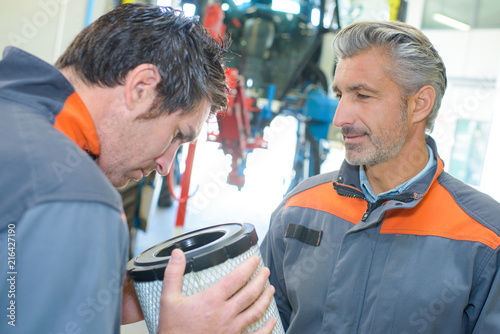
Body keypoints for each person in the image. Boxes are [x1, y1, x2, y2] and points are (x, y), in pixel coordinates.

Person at [0, 4, 276, 333]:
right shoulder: (81, 200)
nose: (164, 165)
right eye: (177, 135)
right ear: (141, 88)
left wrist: (90, 299)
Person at [261, 20, 500, 333]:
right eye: (340, 94)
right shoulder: (299, 207)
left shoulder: (485, 235)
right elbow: (261, 320)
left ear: (420, 104)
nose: (339, 118)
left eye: (362, 95)